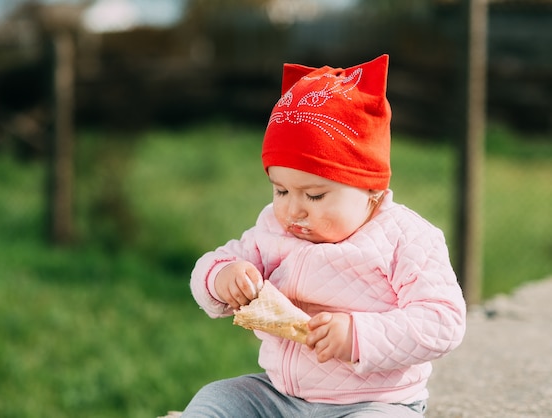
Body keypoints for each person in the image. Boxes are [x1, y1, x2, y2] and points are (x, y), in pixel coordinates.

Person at [183, 54, 466, 417]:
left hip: (375, 402)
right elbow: (212, 263)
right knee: (217, 399)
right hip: (280, 397)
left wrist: (357, 335)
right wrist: (221, 278)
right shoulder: (273, 228)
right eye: (281, 190)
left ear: (371, 190)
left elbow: (443, 321)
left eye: (314, 195)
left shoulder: (406, 239)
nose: (293, 210)